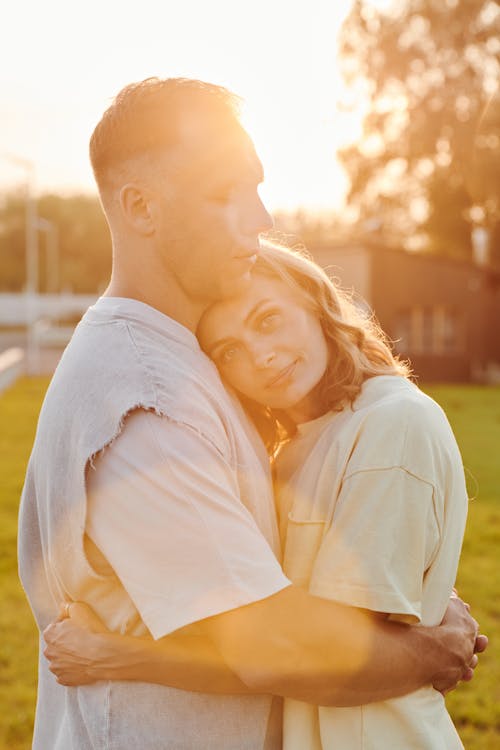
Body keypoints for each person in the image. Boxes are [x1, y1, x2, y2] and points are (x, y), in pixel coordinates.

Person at [19, 77, 480, 750]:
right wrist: (431, 651)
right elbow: (277, 646)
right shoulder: (143, 405)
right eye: (224, 193)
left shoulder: (186, 363)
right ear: (141, 207)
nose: (260, 218)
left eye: (257, 187)